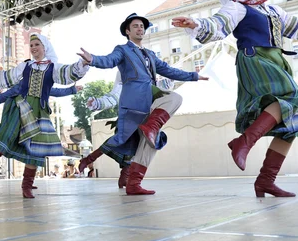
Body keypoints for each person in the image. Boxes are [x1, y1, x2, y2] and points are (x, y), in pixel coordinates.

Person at [172, 0, 298, 197]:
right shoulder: (236, 6)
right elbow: (219, 24)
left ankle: (265, 180)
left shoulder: (274, 10)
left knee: (289, 126)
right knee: (292, 96)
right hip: (254, 58)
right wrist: (196, 23)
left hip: (277, 61)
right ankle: (244, 142)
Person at [78, 13, 206, 195]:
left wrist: (193, 75)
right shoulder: (122, 50)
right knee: (120, 139)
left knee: (172, 103)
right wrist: (93, 60)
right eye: (136, 26)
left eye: (142, 26)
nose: (140, 29)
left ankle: (134, 183)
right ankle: (89, 160)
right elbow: (109, 60)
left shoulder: (150, 54)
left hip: (150, 99)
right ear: (127, 31)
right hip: (133, 102)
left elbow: (169, 70)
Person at [0, 33, 88, 198]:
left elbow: (66, 74)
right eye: (31, 45)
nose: (34, 48)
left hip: (39, 112)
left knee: (37, 149)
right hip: (20, 106)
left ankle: (26, 185)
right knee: (9, 133)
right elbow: (8, 76)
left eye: (37, 45)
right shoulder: (26, 66)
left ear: (44, 47)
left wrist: (83, 63)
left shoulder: (53, 67)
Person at [0, 82, 82, 169]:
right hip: (18, 114)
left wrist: (72, 89)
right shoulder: (21, 84)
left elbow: (56, 91)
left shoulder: (42, 85)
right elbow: (2, 96)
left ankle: (27, 184)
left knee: (33, 148)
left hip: (34, 118)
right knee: (8, 136)